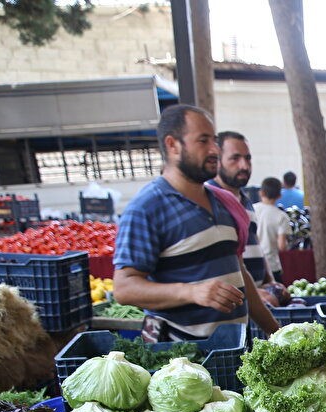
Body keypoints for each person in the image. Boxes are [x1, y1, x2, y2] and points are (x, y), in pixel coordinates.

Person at [113, 104, 279, 341]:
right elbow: (124, 288)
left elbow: (239, 273)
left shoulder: (225, 203)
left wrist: (276, 332)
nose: (214, 150)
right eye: (203, 141)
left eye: (214, 141)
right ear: (173, 145)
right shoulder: (147, 208)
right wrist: (191, 292)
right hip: (183, 361)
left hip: (235, 353)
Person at [207, 130, 284, 306]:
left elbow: (255, 244)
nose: (244, 165)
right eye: (235, 158)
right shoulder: (208, 199)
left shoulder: (246, 201)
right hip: (233, 302)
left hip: (258, 300)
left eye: (248, 158)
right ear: (217, 161)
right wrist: (250, 293)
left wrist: (269, 281)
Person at [254, 176, 292, 288]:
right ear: (279, 196)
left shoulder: (250, 209)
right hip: (272, 265)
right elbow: (282, 246)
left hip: (252, 263)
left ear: (261, 193)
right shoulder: (281, 216)